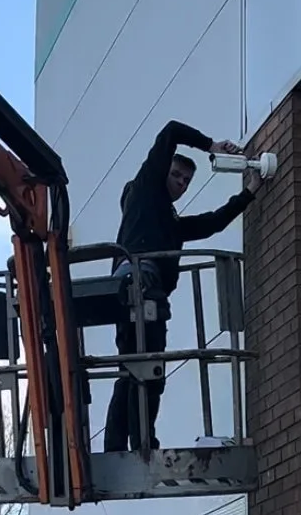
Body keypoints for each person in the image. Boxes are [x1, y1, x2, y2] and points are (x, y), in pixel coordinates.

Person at [103, 120, 260, 454]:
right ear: (162, 172)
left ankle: (122, 446)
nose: (181, 184)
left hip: (135, 290)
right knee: (147, 368)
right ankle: (141, 444)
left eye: (187, 180)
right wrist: (211, 145)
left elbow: (210, 223)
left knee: (133, 368)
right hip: (141, 285)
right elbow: (171, 130)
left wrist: (248, 193)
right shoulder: (146, 189)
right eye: (176, 175)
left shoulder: (169, 221)